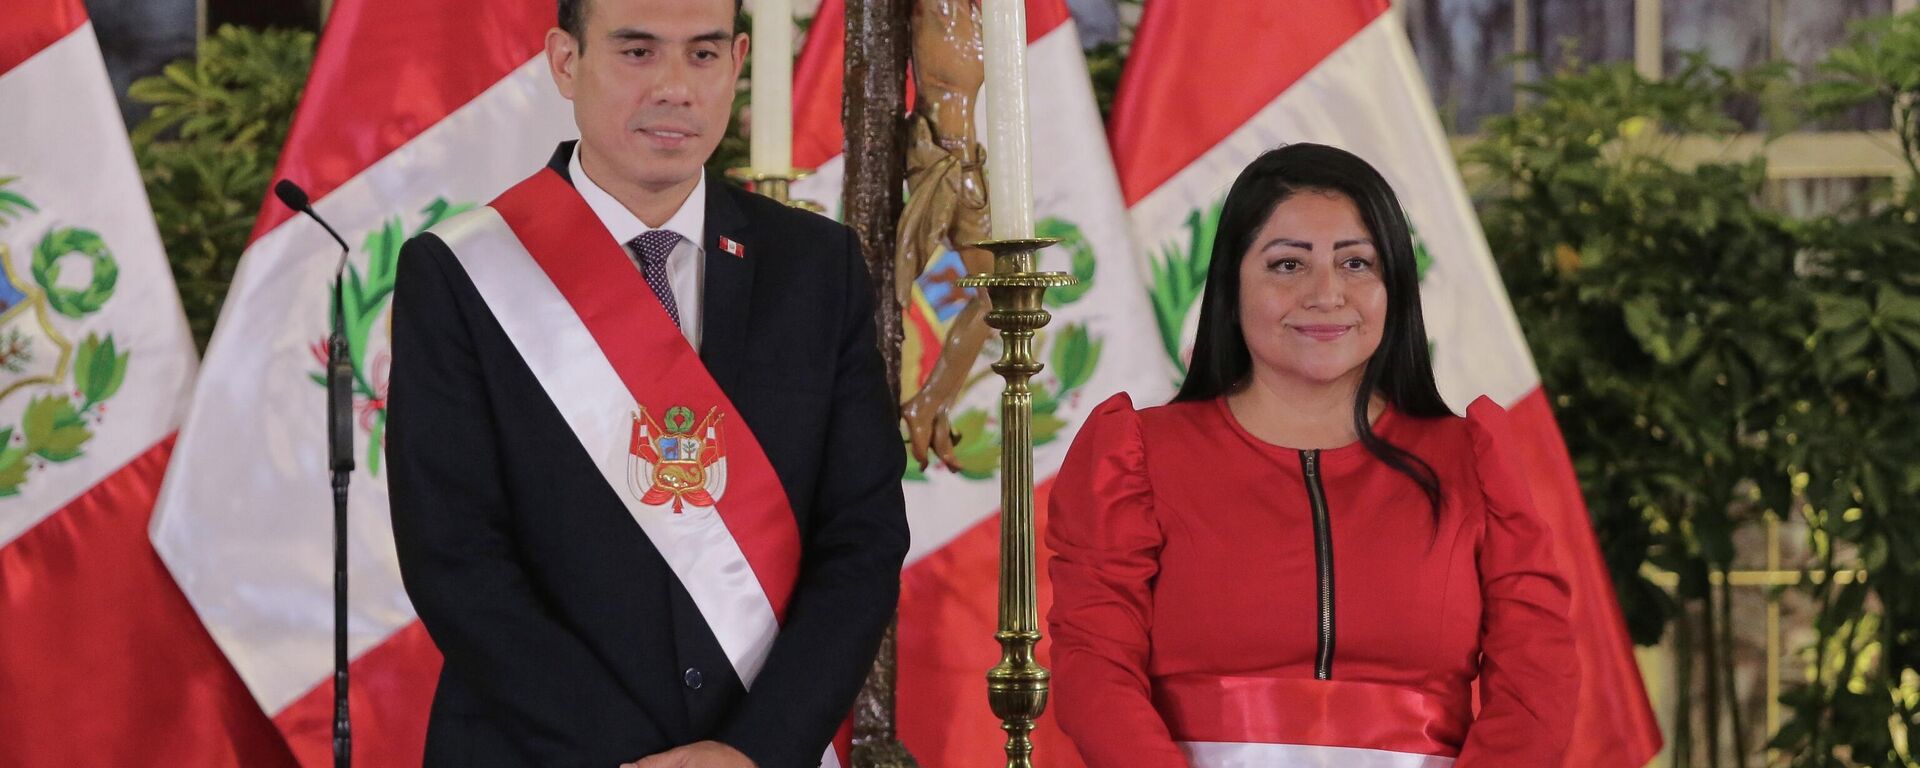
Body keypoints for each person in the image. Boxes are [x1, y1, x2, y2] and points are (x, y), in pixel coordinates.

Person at [385, 0, 908, 765]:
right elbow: (454, 559)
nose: (675, 87)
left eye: (701, 55)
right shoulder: (460, 273)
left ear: (736, 63)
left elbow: (862, 540)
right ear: (566, 62)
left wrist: (753, 750)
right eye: (637, 53)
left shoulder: (816, 267)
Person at [1046, 143, 1578, 767]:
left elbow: (1538, 682)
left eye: (1356, 263)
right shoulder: (1134, 455)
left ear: (1395, 288)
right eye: (1287, 265)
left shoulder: (1472, 458)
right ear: (1230, 283)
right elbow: (1095, 675)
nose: (1327, 294)